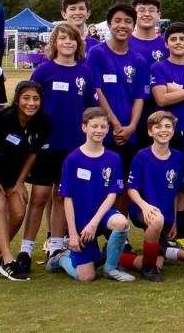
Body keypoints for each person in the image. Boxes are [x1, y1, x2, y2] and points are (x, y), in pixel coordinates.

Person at [28, 22, 96, 259]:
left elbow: (91, 108)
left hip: (74, 145)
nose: (67, 43)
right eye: (63, 38)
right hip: (47, 144)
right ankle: (26, 249)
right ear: (54, 43)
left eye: (72, 39)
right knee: (38, 196)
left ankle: (56, 246)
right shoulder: (43, 71)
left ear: (79, 43)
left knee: (61, 196)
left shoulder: (85, 72)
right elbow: (30, 104)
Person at [48, 107, 134, 282]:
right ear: (84, 128)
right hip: (81, 222)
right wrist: (72, 233)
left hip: (101, 217)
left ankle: (110, 268)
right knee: (86, 277)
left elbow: (112, 195)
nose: (99, 130)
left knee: (121, 222)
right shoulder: (73, 159)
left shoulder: (114, 158)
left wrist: (95, 223)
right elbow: (67, 198)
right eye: (94, 126)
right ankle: (61, 258)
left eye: (103, 127)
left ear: (108, 129)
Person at [0, 81, 48, 280]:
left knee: (19, 213)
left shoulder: (42, 121)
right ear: (17, 100)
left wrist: (20, 183)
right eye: (26, 98)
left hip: (12, 177)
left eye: (36, 99)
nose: (31, 103)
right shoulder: (5, 120)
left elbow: (33, 155)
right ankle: (8, 261)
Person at [126, 111, 184, 282]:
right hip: (142, 210)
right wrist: (145, 207)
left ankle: (118, 257)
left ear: (173, 130)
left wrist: (174, 221)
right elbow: (131, 189)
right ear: (149, 131)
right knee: (156, 220)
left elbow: (176, 193)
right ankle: (148, 265)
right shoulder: (142, 156)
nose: (163, 130)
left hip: (166, 216)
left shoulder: (178, 157)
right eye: (158, 126)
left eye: (168, 126)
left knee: (156, 266)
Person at [87, 5, 148, 157]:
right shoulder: (97, 53)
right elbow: (96, 91)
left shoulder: (139, 60)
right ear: (109, 25)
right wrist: (114, 124)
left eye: (128, 21)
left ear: (133, 26)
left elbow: (140, 97)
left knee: (126, 178)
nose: (122, 25)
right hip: (102, 131)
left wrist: (132, 127)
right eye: (117, 21)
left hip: (129, 134)